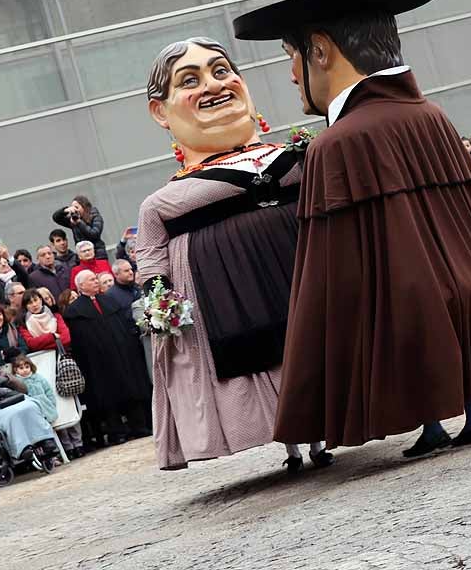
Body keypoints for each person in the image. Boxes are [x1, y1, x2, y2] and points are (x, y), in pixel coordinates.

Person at [234, 0, 471, 457]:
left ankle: (433, 425)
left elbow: (333, 271)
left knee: (411, 314)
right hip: (470, 282)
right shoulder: (431, 113)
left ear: (320, 50)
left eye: (291, 56)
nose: (292, 75)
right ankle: (468, 417)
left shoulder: (338, 143)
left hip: (407, 302)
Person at [136, 38, 332, 472]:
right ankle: (293, 444)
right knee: (262, 353)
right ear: (160, 111)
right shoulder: (163, 203)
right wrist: (160, 301)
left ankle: (319, 437)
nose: (212, 85)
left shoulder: (302, 159)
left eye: (221, 71)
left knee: (307, 342)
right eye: (190, 80)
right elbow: (151, 259)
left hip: (302, 280)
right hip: (229, 303)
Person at [64, 270, 151, 448]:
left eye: (96, 279)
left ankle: (139, 426)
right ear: (81, 286)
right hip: (98, 362)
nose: (96, 282)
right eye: (91, 280)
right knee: (107, 397)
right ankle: (117, 432)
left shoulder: (110, 301)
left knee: (131, 389)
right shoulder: (75, 311)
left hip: (122, 355)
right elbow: (81, 342)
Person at [0, 354, 58, 470]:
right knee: (12, 415)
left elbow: (23, 389)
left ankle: (46, 440)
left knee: (31, 406)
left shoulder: (4, 374)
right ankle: (22, 448)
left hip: (15, 400)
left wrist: (9, 381)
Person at [8, 354, 61, 469]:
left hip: (44, 408)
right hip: (30, 412)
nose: (25, 370)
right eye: (21, 368)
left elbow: (48, 391)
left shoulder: (39, 378)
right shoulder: (17, 382)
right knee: (37, 434)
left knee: (48, 432)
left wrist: (51, 404)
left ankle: (54, 455)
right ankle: (44, 458)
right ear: (15, 370)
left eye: (27, 367)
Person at [16, 289, 71, 353]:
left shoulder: (56, 316)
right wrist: (53, 336)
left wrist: (42, 345)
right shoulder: (24, 325)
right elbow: (32, 345)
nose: (34, 305)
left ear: (41, 300)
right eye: (30, 303)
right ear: (26, 306)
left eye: (35, 300)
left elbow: (66, 338)